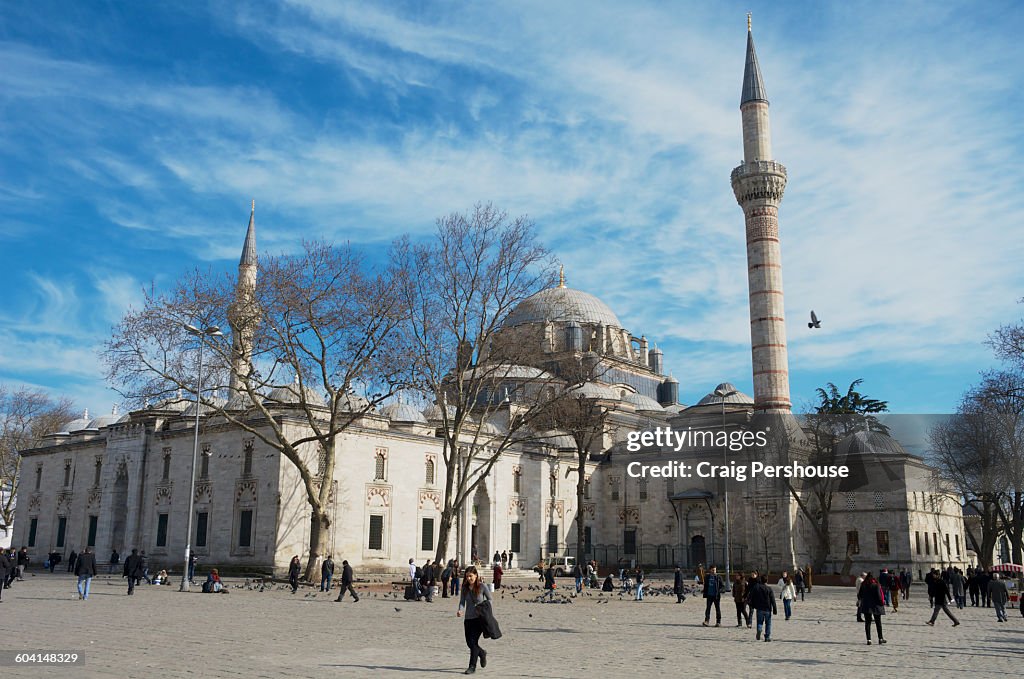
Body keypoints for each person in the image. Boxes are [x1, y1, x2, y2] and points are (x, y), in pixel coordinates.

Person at [457, 565, 493, 675]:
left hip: (479, 618)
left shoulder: (482, 586)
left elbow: (490, 599)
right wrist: (460, 610)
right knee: (469, 643)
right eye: (467, 576)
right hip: (468, 618)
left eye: (471, 576)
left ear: (476, 575)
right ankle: (482, 653)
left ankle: (472, 666)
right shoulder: (465, 588)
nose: (469, 578)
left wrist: (485, 609)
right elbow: (462, 601)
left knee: (473, 642)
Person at [858, 572, 887, 645]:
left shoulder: (863, 585)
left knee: (867, 623)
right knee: (878, 623)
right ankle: (880, 638)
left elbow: (859, 595)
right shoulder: (876, 585)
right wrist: (882, 603)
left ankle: (869, 639)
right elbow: (879, 596)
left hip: (866, 606)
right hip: (876, 606)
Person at [749, 575, 777, 642]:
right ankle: (767, 637)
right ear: (767, 581)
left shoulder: (756, 587)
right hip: (767, 608)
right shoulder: (769, 589)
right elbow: (773, 599)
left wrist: (752, 605)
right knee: (768, 623)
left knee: (759, 621)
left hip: (759, 608)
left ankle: (759, 629)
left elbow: (751, 596)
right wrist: (775, 609)